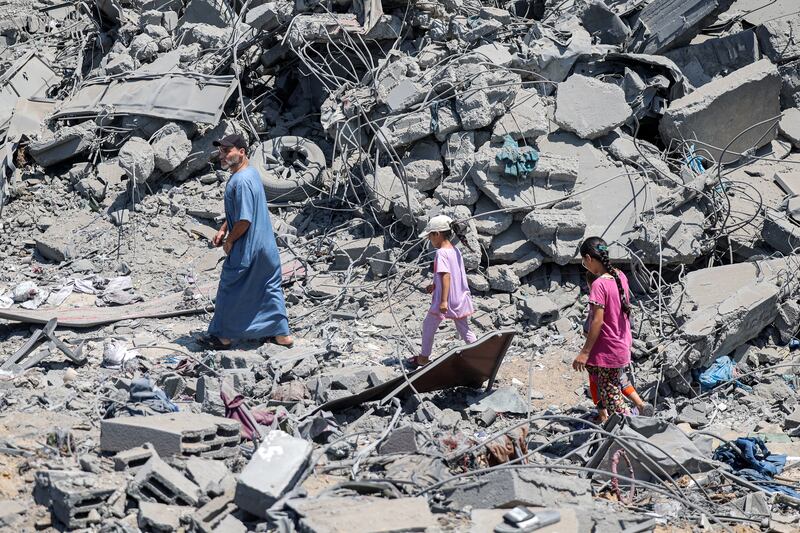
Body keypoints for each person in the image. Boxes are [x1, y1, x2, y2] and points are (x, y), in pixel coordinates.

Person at [199, 134, 293, 350]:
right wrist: (224, 227)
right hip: (267, 247)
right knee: (269, 287)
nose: (221, 155)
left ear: (241, 151)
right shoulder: (251, 173)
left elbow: (244, 220)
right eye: (221, 151)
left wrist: (230, 240)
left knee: (229, 288)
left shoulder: (240, 181)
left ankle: (223, 337)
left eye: (227, 151)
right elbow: (242, 211)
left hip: (248, 248)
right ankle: (281, 335)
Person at [571, 236, 637, 421]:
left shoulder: (599, 285)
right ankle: (624, 424)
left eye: (584, 262)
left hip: (608, 350)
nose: (586, 266)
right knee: (612, 386)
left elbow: (597, 321)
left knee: (613, 399)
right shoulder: (620, 276)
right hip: (621, 343)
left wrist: (584, 352)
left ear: (589, 258)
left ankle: (630, 434)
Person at [583, 271, 653, 419]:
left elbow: (590, 328)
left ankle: (615, 418)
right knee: (620, 379)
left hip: (602, 355)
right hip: (620, 350)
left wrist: (585, 352)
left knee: (604, 387)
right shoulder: (619, 301)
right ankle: (640, 404)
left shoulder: (598, 307)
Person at [409, 215, 477, 367]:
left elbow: (446, 276)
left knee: (428, 325)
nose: (430, 241)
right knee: (464, 328)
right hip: (459, 297)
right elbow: (452, 274)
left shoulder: (441, 253)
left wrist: (443, 300)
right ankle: (478, 354)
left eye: (430, 237)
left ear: (437, 234)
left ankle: (423, 358)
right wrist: (434, 285)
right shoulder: (455, 250)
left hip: (446, 299)